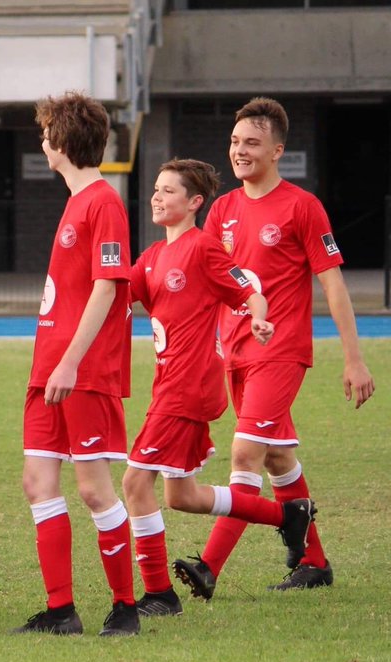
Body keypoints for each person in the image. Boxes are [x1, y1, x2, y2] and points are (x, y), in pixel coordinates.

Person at [173, 97, 376, 597]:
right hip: (235, 351)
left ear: (277, 150)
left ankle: (209, 567)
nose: (240, 151)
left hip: (281, 351)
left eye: (252, 143)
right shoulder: (221, 209)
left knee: (245, 453)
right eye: (236, 142)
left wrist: (354, 358)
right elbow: (213, 281)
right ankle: (315, 562)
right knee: (278, 460)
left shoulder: (301, 207)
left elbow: (332, 285)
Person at [122, 158, 316, 617]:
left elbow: (247, 288)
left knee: (134, 483)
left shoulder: (202, 248)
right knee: (180, 497)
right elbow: (115, 296)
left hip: (186, 388)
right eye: (155, 188)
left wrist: (260, 316)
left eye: (169, 191)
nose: (157, 197)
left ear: (194, 203)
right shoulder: (151, 257)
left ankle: (159, 595)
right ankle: (286, 514)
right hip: (166, 385)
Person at [15, 91, 137, 637]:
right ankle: (61, 610)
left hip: (79, 372)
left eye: (46, 134)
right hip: (49, 370)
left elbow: (109, 286)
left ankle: (126, 606)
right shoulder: (74, 201)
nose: (42, 142)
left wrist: (69, 362)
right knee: (38, 482)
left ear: (60, 142)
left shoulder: (103, 202)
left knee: (93, 488)